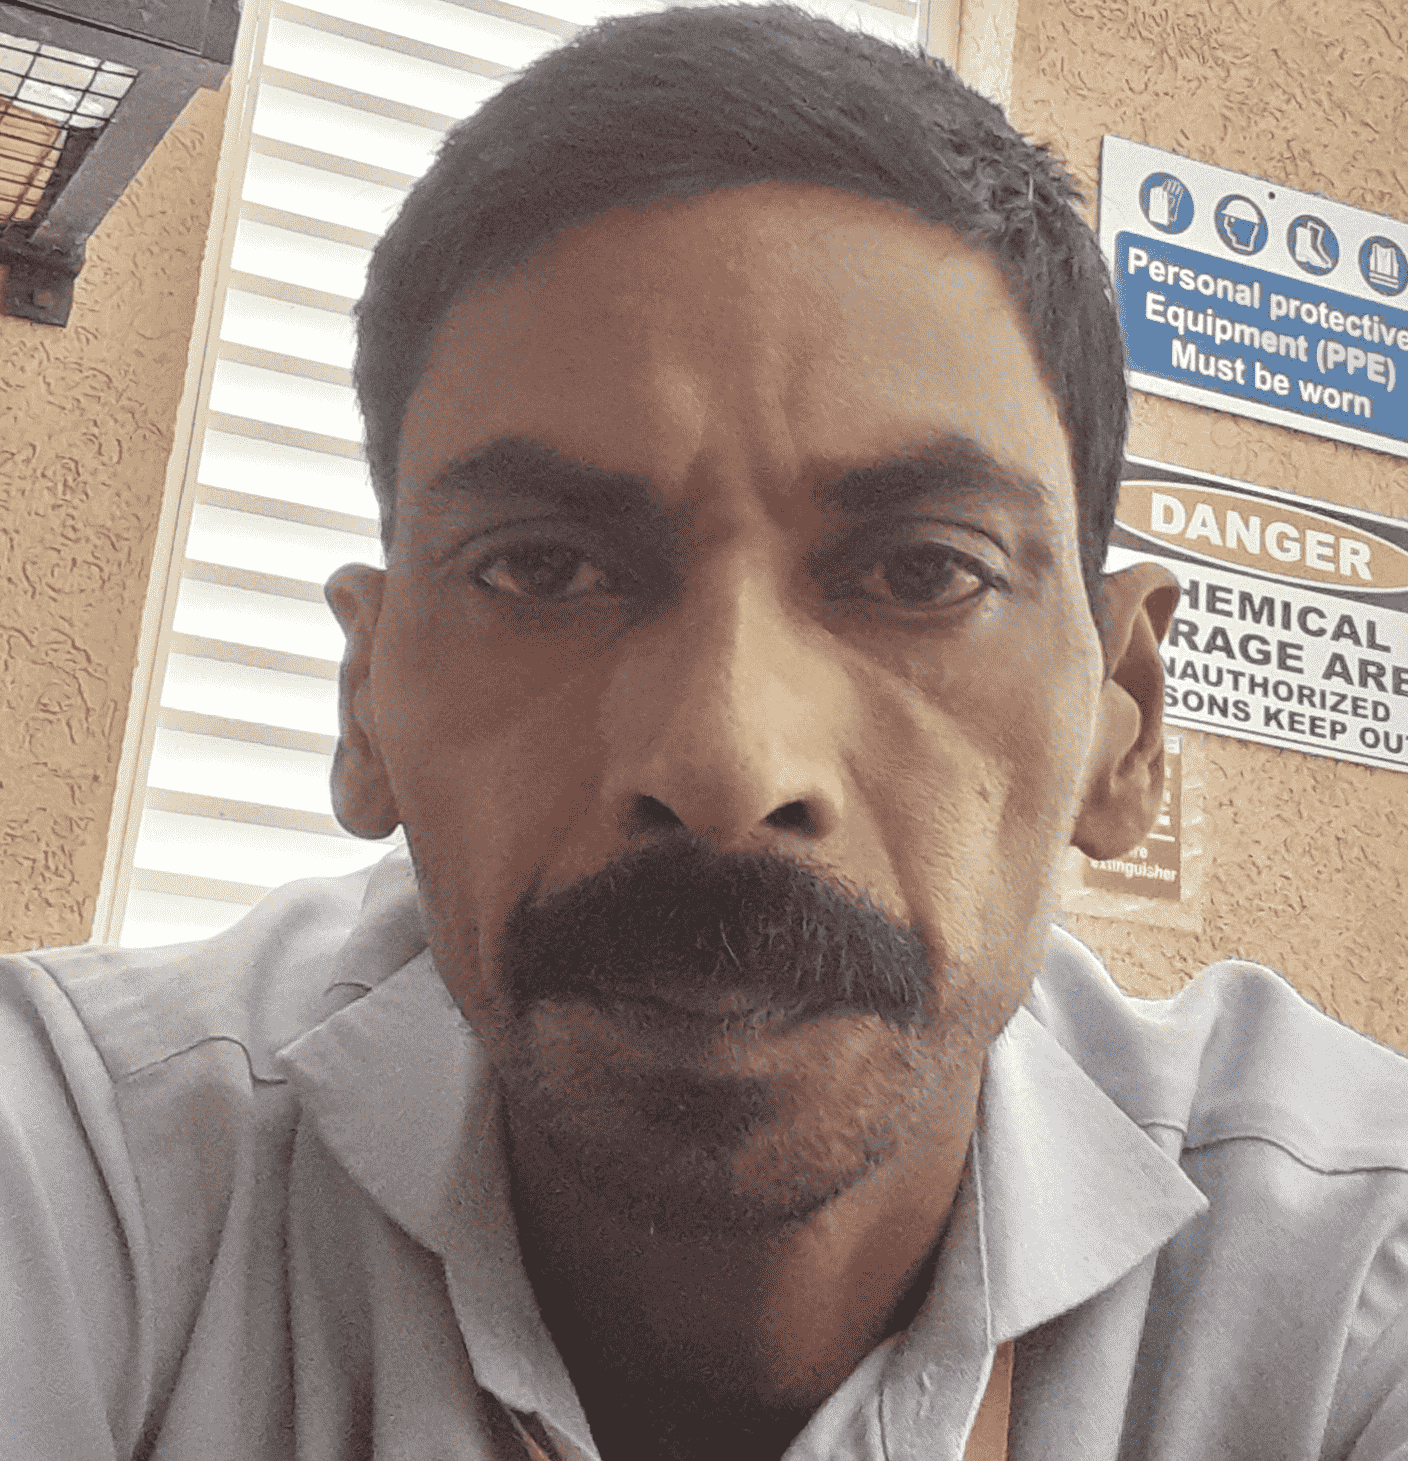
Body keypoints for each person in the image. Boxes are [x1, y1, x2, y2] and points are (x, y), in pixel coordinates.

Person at [3, 6, 1406, 1459]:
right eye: (543, 568)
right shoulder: (88, 1169)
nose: (730, 762)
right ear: (368, 705)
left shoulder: (1352, 1284)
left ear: (1124, 719)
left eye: (924, 572)